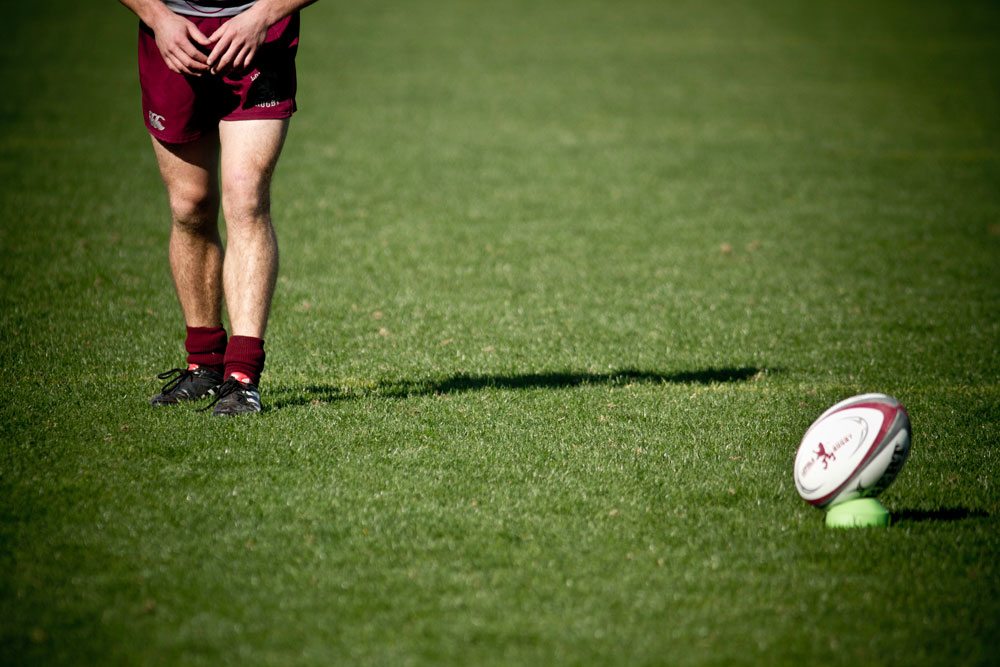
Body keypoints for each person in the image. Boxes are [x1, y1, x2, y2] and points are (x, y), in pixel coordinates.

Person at [119, 0, 316, 415]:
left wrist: (263, 16)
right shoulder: (162, 22)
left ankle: (242, 376)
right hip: (174, 34)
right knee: (190, 206)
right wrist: (156, 17)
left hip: (259, 32)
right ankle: (204, 364)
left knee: (246, 197)